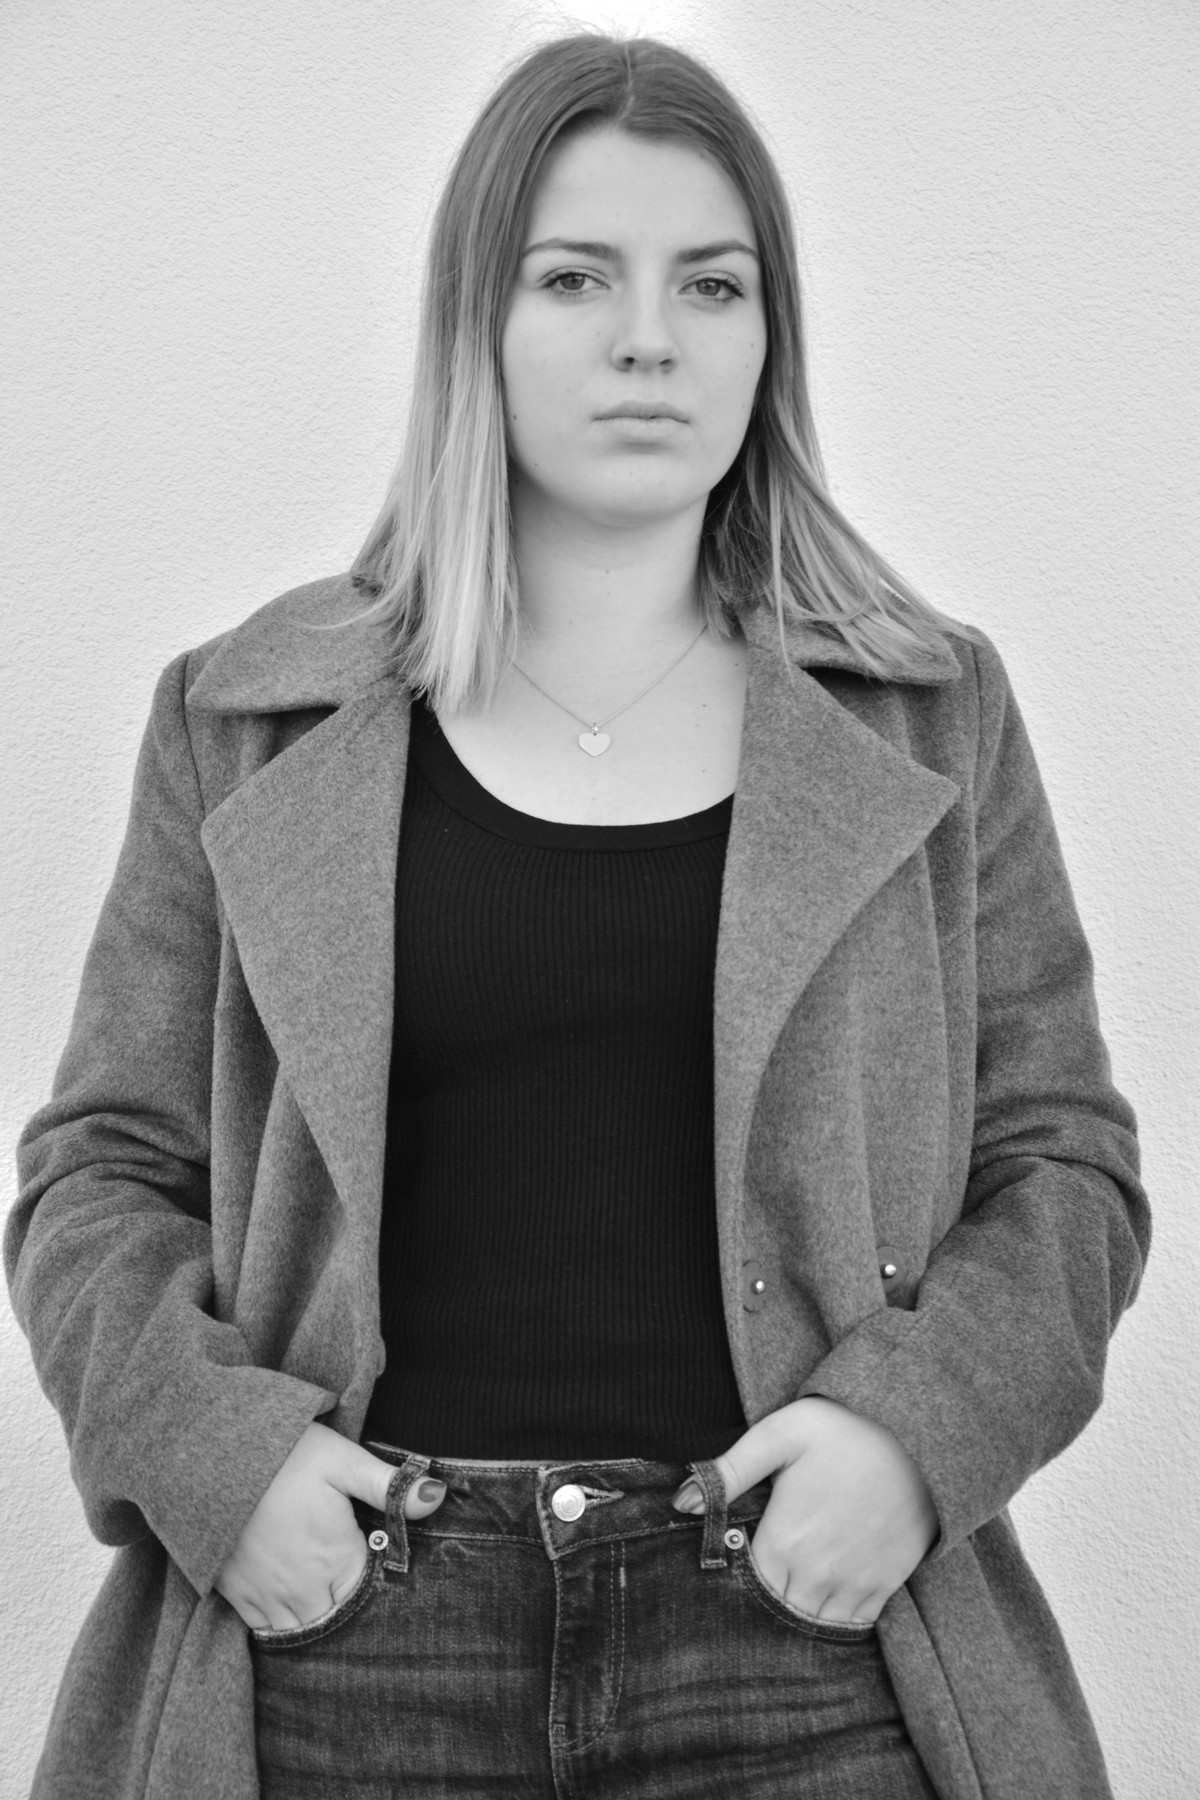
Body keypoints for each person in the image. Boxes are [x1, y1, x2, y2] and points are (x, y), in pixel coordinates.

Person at [5, 31, 1148, 1800]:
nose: (649, 338)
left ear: (769, 338)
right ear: (476, 320)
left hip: (807, 1649)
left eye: (712, 283)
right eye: (575, 277)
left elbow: (1063, 1159)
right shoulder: (241, 725)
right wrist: (223, 1469)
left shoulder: (932, 714)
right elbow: (98, 1174)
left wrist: (914, 1440)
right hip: (341, 1654)